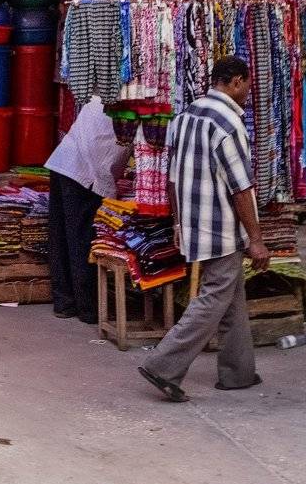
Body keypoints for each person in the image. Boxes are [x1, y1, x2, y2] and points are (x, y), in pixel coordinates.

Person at [139, 57, 269, 403]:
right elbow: (241, 188)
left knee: (231, 297)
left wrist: (178, 222)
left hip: (194, 223)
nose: (249, 92)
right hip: (221, 228)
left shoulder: (186, 116)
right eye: (248, 84)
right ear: (237, 81)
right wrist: (256, 239)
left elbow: (171, 179)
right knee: (214, 298)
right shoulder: (228, 123)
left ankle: (239, 372)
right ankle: (162, 365)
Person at [45, 96, 128, 324]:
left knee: (61, 236)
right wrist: (109, 190)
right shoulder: (126, 108)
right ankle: (88, 307)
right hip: (82, 172)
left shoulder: (101, 98)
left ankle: (64, 303)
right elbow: (103, 157)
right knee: (81, 238)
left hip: (63, 163)